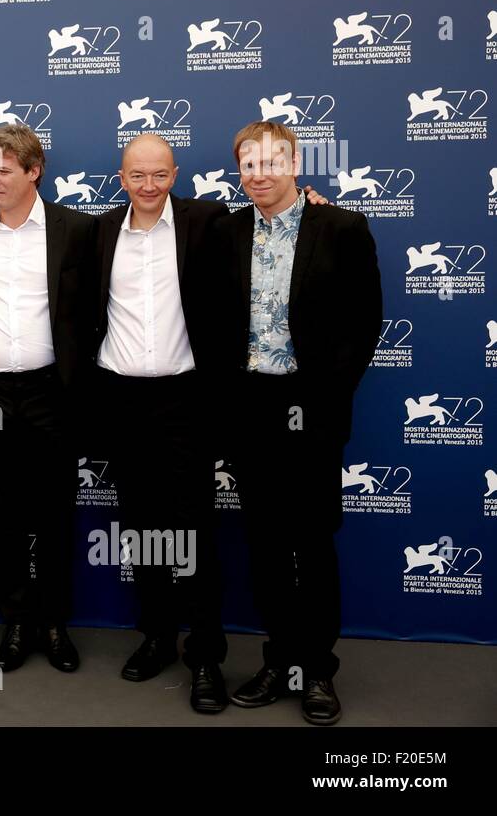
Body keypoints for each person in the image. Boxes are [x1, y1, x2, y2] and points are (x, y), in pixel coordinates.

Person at [218, 120, 381, 725]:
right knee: (264, 545)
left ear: (295, 166)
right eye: (248, 165)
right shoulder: (226, 230)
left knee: (311, 543)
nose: (258, 175)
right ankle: (279, 660)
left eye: (270, 163)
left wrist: (325, 395)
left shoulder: (339, 227)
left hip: (312, 410)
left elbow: (365, 321)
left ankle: (317, 671)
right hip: (251, 410)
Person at [0, 124, 98, 672]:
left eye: (5, 170)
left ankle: (55, 623)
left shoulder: (76, 230)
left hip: (50, 391)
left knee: (56, 511)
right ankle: (15, 622)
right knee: (4, 513)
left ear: (33, 171)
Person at [93, 133, 231, 712]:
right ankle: (156, 638)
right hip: (122, 401)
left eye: (159, 175)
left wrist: (313, 203)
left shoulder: (209, 221)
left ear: (174, 175)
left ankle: (205, 656)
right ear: (121, 178)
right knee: (143, 526)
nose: (148, 186)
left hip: (185, 400)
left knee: (192, 528)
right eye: (136, 176)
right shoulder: (98, 232)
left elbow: (276, 226)